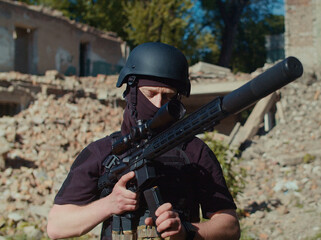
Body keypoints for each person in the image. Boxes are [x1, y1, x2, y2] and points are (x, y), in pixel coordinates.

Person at [47, 42, 240, 240]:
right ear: (131, 91)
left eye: (168, 97)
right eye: (150, 94)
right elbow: (57, 226)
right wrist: (109, 204)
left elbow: (230, 227)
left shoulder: (194, 151)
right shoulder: (102, 152)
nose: (157, 104)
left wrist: (187, 231)